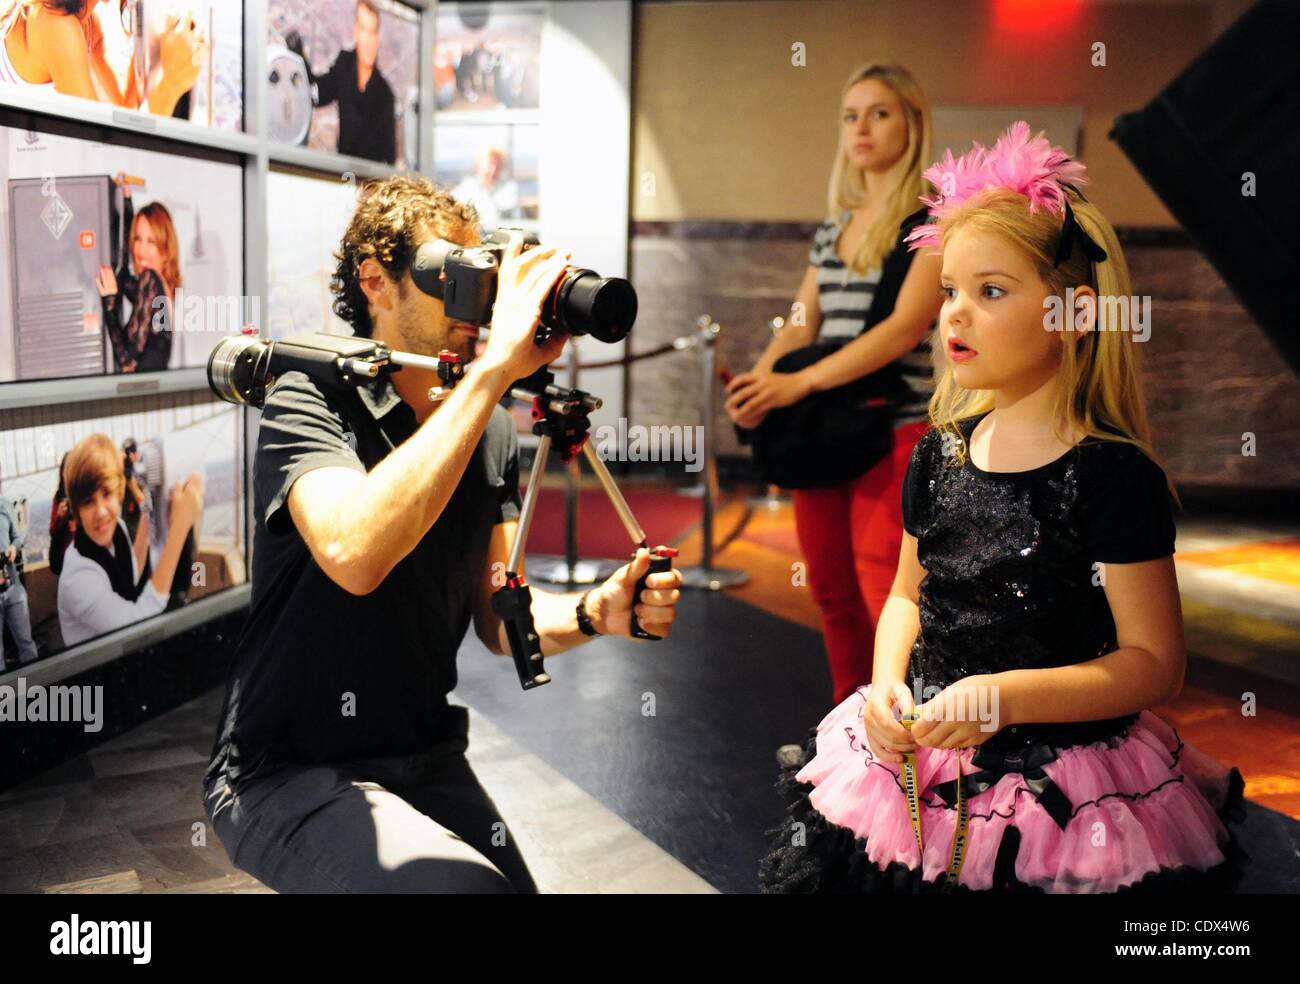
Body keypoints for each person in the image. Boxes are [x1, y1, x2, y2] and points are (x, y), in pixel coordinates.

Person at [759, 123, 1248, 894]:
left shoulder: (1110, 475)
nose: (954, 313)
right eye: (951, 290)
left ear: (1075, 315)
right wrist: (887, 683)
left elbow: (1154, 663)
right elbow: (905, 596)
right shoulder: (938, 450)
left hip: (1064, 787)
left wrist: (1007, 698)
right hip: (921, 764)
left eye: (991, 292)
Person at [201, 175, 684, 894]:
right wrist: (492, 375)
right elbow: (354, 553)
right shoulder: (310, 395)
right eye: (445, 276)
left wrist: (594, 612)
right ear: (378, 283)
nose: (474, 302)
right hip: (285, 768)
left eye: (479, 275)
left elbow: (499, 618)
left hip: (420, 754)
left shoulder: (486, 428)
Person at [725, 63, 943, 707]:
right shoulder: (834, 226)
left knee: (888, 597)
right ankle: (852, 734)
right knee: (831, 593)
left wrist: (799, 385)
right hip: (828, 429)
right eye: (851, 116)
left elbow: (903, 330)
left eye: (879, 113)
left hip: (893, 429)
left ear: (912, 122)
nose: (862, 128)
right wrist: (764, 378)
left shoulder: (933, 221)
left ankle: (907, 738)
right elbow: (801, 320)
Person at [56, 432, 203, 648]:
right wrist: (179, 529)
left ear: (119, 493)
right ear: (76, 510)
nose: (101, 512)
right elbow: (135, 625)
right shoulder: (78, 577)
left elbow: (130, 572)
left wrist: (150, 508)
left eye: (107, 494)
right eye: (88, 502)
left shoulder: (117, 529)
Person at [0, 0, 202, 114]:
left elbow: (124, 109)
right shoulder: (56, 25)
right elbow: (94, 146)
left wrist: (147, 43)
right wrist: (169, 87)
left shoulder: (87, 21)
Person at [288, 0, 395, 164]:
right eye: (363, 30)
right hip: (344, 177)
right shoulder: (345, 65)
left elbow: (389, 158)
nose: (368, 40)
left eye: (372, 32)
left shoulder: (385, 95)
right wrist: (299, 57)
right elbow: (318, 94)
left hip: (371, 183)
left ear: (378, 37)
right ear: (356, 31)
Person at [95, 172, 181, 373]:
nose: (141, 250)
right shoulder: (161, 287)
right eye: (138, 239)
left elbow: (127, 361)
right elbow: (123, 276)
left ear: (165, 249)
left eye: (151, 242)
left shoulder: (151, 280)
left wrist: (109, 305)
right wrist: (126, 205)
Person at [0, 463, 39, 668]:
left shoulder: (5, 504)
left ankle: (37, 692)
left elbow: (16, 537)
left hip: (13, 585)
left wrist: (14, 549)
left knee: (27, 644)